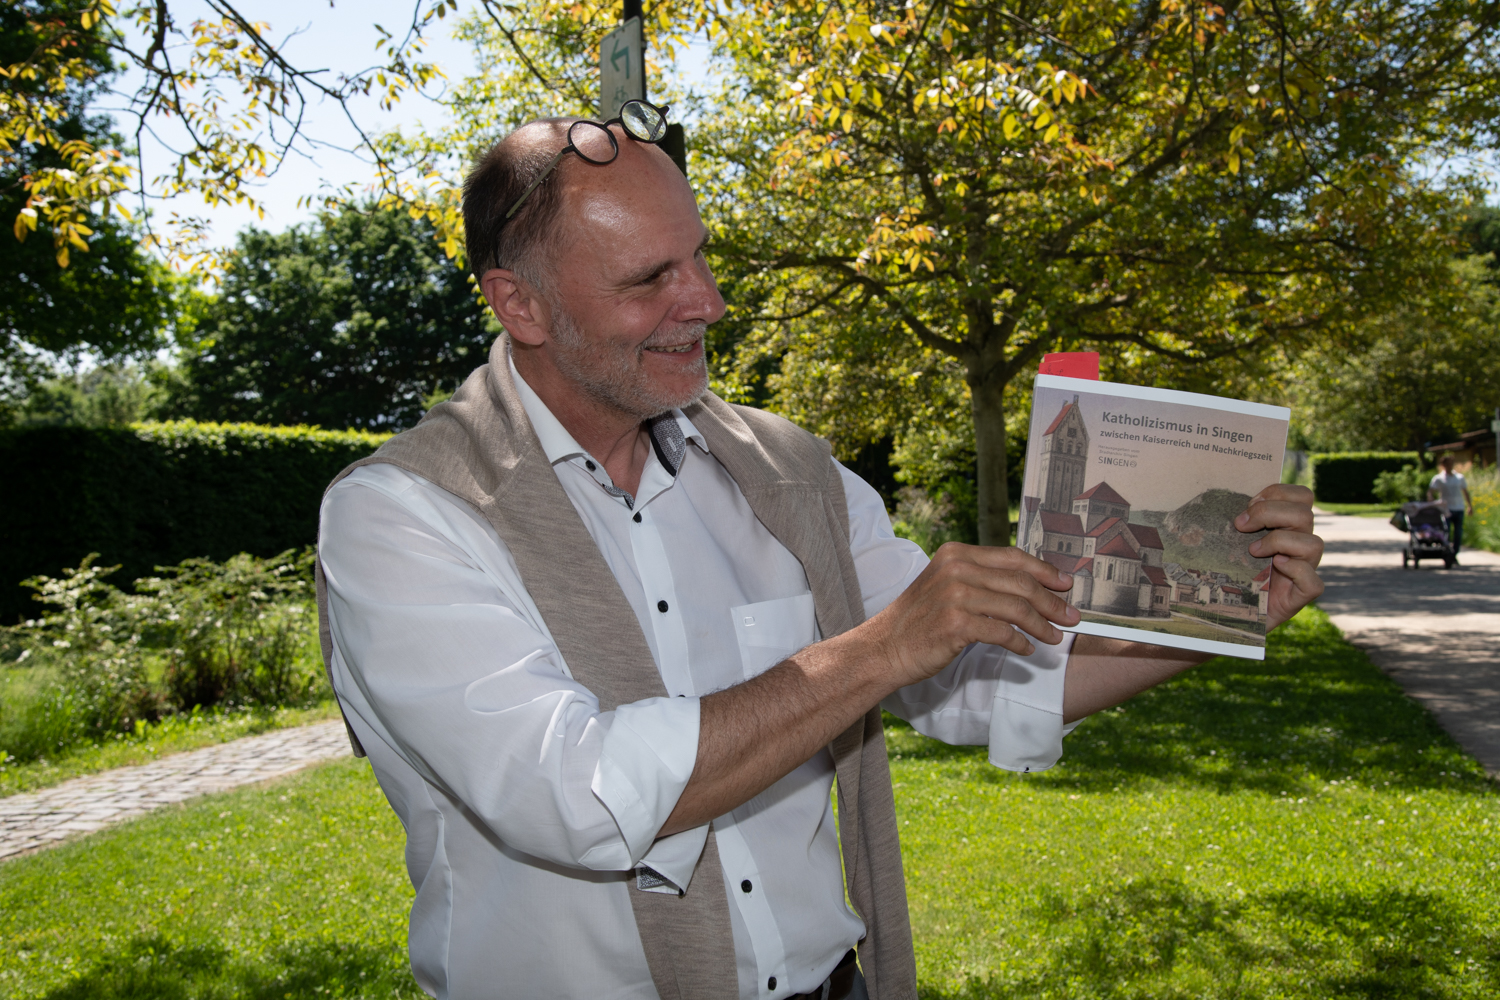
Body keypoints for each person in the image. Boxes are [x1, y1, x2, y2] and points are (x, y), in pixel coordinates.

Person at [315, 105, 1326, 1000]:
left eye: (700, 257)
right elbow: (569, 795)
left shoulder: (788, 472)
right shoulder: (402, 514)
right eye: (651, 278)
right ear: (520, 304)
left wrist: (1211, 614)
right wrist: (881, 649)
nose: (707, 301)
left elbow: (979, 682)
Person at [1428, 454, 1475, 558]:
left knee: (1458, 533)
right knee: (1446, 532)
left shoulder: (1459, 477)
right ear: (1443, 465)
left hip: (1459, 508)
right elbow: (1430, 492)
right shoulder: (1439, 478)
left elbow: (1465, 492)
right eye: (1448, 464)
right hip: (1446, 509)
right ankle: (1446, 552)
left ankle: (1454, 553)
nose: (1450, 466)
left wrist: (1470, 506)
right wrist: (1431, 500)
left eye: (1451, 463)